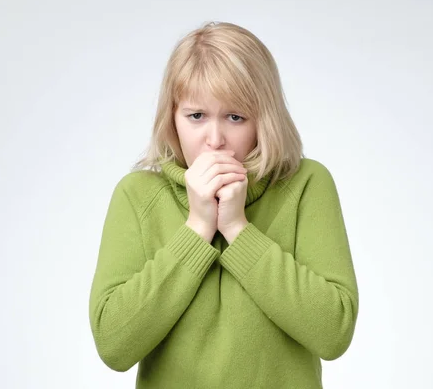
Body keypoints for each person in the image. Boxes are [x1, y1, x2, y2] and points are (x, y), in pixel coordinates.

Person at [88, 21, 359, 388]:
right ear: (172, 117)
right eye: (196, 116)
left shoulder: (307, 184)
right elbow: (113, 346)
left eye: (235, 117)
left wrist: (237, 229)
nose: (214, 140)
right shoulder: (137, 196)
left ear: (264, 119)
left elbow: (333, 332)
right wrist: (197, 229)